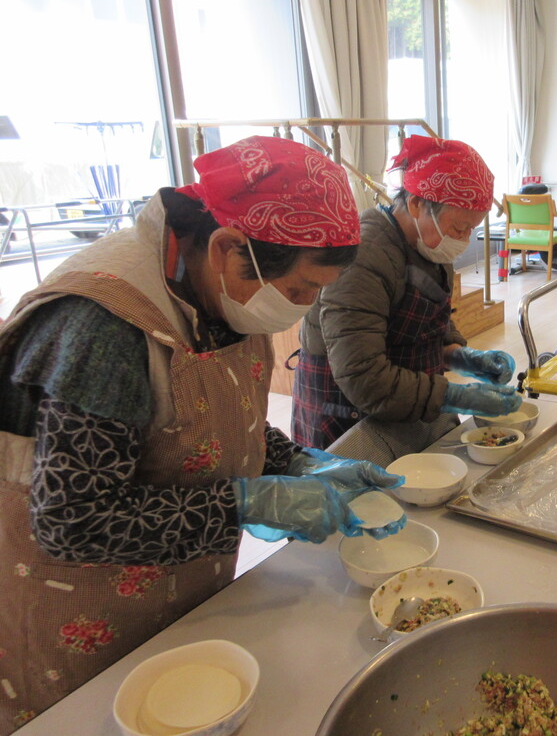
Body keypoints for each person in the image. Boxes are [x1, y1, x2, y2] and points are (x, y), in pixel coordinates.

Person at [0, 136, 407, 734]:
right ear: (226, 248)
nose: (304, 309)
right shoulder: (103, 329)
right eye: (299, 292)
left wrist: (299, 464)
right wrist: (244, 503)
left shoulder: (221, 291)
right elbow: (72, 520)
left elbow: (214, 425)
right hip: (86, 616)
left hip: (182, 596)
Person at [292, 135, 520, 463]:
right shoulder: (365, 255)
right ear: (415, 204)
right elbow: (364, 377)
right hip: (348, 412)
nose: (463, 239)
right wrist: (457, 395)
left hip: (403, 402)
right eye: (459, 228)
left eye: (472, 229)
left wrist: (463, 357)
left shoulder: (430, 242)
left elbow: (425, 321)